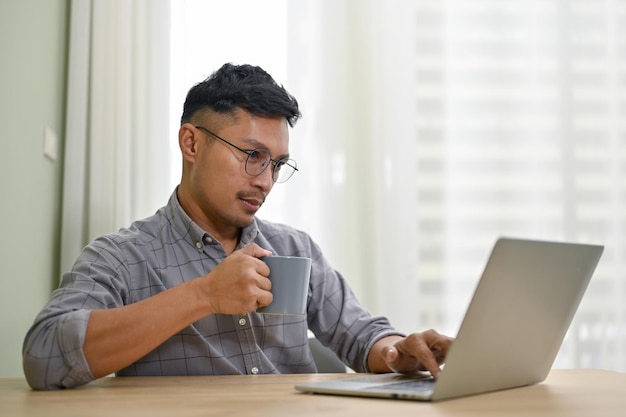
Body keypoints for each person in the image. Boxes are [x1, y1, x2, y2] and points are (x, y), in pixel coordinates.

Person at [22, 63, 452, 390]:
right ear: (192, 143)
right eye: (252, 155)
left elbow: (363, 337)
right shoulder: (120, 257)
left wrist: (398, 353)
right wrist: (203, 295)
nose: (265, 179)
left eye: (277, 164)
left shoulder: (293, 247)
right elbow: (43, 356)